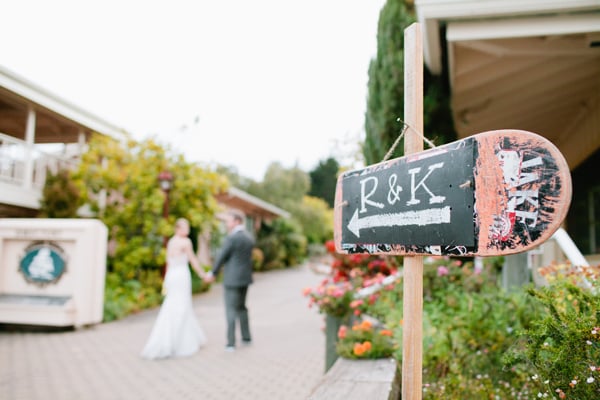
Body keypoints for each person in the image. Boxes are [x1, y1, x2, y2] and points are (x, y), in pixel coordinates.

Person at [141, 218, 209, 360]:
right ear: (178, 228)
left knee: (172, 304)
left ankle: (169, 339)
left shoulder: (171, 241)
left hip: (172, 276)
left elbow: (168, 263)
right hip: (181, 276)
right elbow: (193, 260)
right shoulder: (186, 242)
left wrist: (166, 280)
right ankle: (180, 341)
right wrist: (203, 274)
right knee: (182, 306)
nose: (188, 230)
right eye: (185, 227)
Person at [208, 209, 255, 352]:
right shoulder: (249, 237)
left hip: (232, 279)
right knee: (242, 307)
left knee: (231, 310)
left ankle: (231, 343)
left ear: (237, 221)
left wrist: (213, 273)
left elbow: (222, 257)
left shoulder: (231, 238)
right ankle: (246, 337)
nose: (227, 224)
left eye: (228, 221)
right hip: (245, 279)